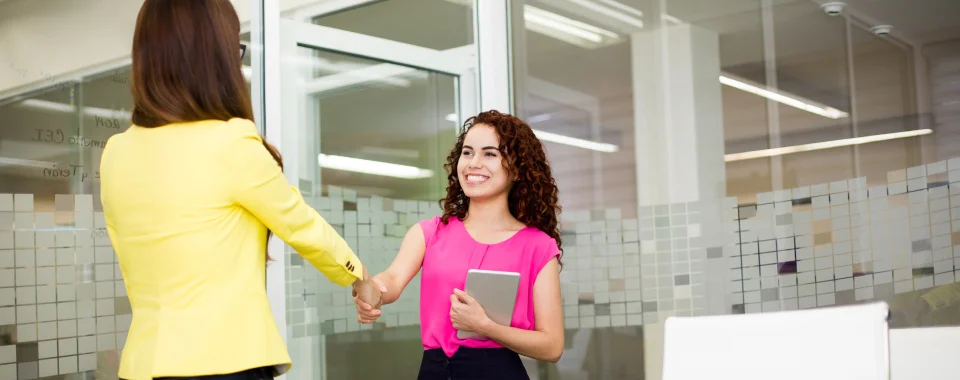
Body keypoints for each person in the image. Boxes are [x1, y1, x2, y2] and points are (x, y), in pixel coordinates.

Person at [99, 1, 381, 379]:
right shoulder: (228, 142)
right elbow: (302, 226)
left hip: (142, 366)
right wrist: (360, 276)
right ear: (215, 57)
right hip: (224, 364)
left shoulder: (117, 152)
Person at [354, 111, 565, 379]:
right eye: (467, 152)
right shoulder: (429, 233)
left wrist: (484, 326)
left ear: (517, 168)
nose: (473, 163)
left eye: (490, 154)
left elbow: (552, 346)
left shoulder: (538, 247)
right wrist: (372, 290)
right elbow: (392, 279)